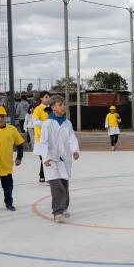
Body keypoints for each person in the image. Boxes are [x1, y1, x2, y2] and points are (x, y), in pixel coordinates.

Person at [39, 95, 80, 223]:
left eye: (64, 104)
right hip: (51, 160)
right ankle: (57, 212)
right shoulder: (48, 123)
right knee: (57, 186)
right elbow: (44, 142)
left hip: (65, 158)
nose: (63, 107)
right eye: (60, 104)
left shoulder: (67, 123)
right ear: (53, 107)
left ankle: (64, 207)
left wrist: (75, 150)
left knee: (64, 184)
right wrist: (45, 157)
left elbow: (71, 138)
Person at [32, 91, 51, 183]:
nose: (48, 99)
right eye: (46, 97)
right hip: (40, 137)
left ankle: (43, 175)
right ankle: (46, 177)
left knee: (47, 156)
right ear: (41, 98)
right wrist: (47, 124)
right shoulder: (37, 109)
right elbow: (35, 122)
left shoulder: (52, 109)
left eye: (49, 97)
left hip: (50, 137)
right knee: (44, 157)